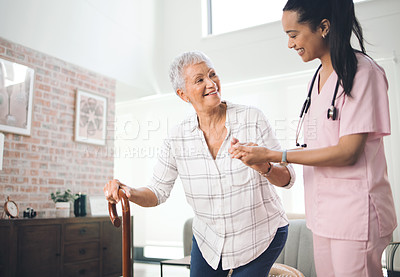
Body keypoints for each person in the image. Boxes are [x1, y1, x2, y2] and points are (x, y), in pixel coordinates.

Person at [229, 1, 397, 276]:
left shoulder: (363, 72)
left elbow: (348, 151)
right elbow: (317, 147)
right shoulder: (317, 77)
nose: (290, 44)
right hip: (323, 215)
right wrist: (262, 156)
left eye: (293, 35)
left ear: (324, 27)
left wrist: (273, 154)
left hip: (356, 215)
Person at [104, 51, 296, 276]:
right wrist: (129, 191)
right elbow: (157, 191)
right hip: (209, 241)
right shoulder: (178, 138)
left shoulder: (251, 119)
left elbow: (288, 178)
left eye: (212, 74)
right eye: (199, 79)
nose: (211, 83)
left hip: (260, 234)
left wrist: (264, 167)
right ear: (183, 94)